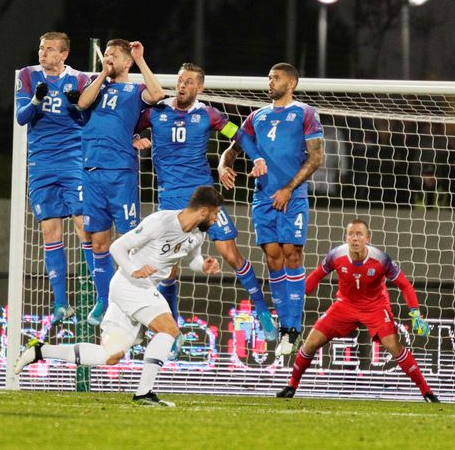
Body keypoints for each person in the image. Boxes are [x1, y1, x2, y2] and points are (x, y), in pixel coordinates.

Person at [15, 186, 223, 406]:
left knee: (110, 355)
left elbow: (192, 259)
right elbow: (117, 247)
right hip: (131, 284)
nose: (216, 219)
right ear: (203, 211)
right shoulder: (161, 222)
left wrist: (203, 265)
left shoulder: (198, 235)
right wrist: (134, 269)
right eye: (216, 213)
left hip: (136, 289)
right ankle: (144, 394)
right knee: (169, 330)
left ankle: (39, 350)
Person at [134, 63, 276, 350]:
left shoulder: (208, 114)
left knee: (230, 253)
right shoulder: (156, 112)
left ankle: (262, 311)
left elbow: (239, 135)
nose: (182, 85)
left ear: (199, 88)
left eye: (188, 82)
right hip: (171, 201)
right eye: (179, 80)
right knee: (168, 269)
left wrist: (257, 158)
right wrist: (136, 137)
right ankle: (171, 331)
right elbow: (127, 126)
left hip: (205, 197)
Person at [219, 62, 324, 356]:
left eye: (275, 78)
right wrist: (223, 164)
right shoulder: (257, 116)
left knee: (292, 252)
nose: (270, 82)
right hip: (263, 197)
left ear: (291, 83)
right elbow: (234, 146)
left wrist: (288, 188)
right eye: (269, 78)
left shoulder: (305, 113)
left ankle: (293, 327)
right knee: (273, 257)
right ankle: (283, 327)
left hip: (293, 196)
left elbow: (315, 158)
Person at [276, 219, 439, 403]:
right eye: (351, 234)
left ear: (367, 238)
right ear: (346, 238)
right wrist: (296, 299)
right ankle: (291, 386)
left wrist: (415, 313)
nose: (355, 238)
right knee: (310, 343)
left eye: (359, 234)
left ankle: (427, 392)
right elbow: (316, 276)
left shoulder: (381, 259)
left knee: (394, 346)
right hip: (344, 305)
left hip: (375, 307)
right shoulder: (336, 255)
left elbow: (405, 285)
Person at [76, 39, 165, 325]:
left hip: (121, 172)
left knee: (130, 240)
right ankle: (104, 300)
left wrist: (140, 60)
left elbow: (158, 93)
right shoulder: (95, 83)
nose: (110, 58)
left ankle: (135, 300)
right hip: (91, 170)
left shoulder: (135, 90)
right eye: (108, 55)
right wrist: (102, 74)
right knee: (98, 240)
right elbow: (81, 103)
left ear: (126, 62)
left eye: (116, 56)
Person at [15, 32, 93, 326]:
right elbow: (22, 118)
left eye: (49, 50)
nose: (42, 53)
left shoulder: (82, 80)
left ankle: (100, 297)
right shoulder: (27, 75)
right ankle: (61, 303)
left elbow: (89, 120)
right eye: (40, 48)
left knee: (84, 226)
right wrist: (35, 100)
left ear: (63, 55)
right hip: (41, 164)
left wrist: (77, 105)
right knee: (50, 232)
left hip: (73, 162)